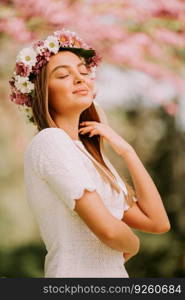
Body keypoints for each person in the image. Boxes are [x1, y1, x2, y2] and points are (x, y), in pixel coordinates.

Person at [9, 28, 171, 278]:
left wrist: (127, 150)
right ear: (43, 93)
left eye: (83, 72)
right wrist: (133, 244)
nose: (79, 78)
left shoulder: (90, 156)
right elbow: (109, 231)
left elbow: (158, 223)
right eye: (63, 75)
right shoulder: (50, 142)